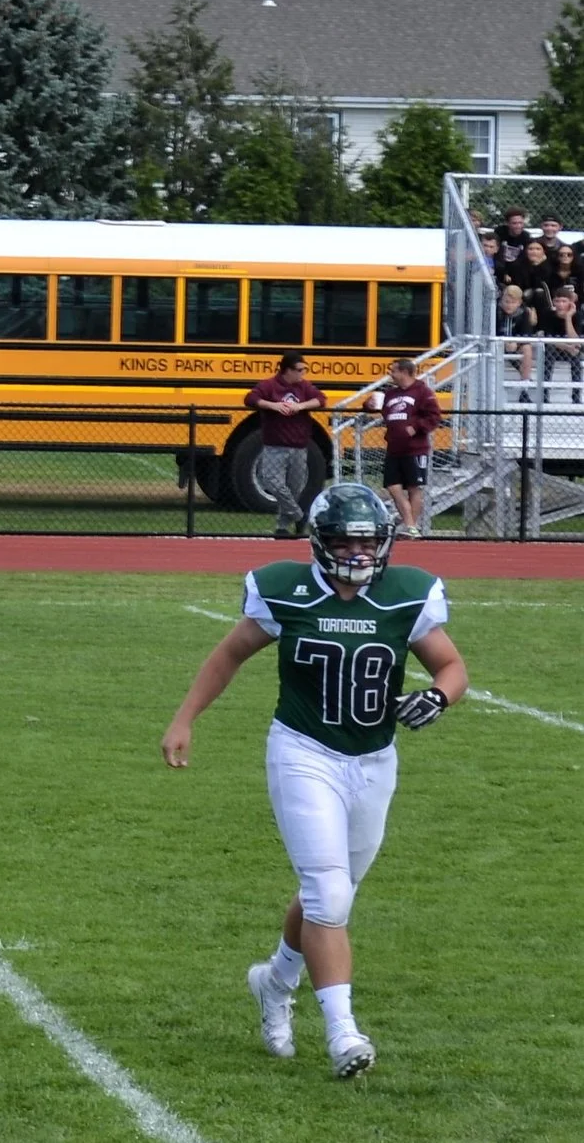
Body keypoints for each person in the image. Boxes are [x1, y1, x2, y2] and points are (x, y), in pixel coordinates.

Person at [160, 483, 465, 1080]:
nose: (358, 551)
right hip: (303, 752)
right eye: (346, 541)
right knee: (328, 893)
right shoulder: (287, 589)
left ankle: (275, 981)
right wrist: (184, 718)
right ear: (321, 542)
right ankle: (342, 1032)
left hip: (374, 761)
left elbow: (451, 666)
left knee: (333, 891)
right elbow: (229, 655)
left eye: (368, 540)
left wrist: (438, 696)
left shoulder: (405, 594)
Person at [244, 353, 325, 538]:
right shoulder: (270, 385)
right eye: (300, 370)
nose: (303, 373)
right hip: (275, 445)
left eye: (305, 369)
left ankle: (283, 526)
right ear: (287, 370)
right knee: (272, 482)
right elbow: (250, 398)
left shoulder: (304, 386)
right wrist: (273, 405)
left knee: (294, 488)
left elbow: (320, 399)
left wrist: (300, 406)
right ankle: (299, 516)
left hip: (299, 446)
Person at [377, 358, 442, 536]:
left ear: (404, 372)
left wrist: (416, 427)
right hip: (394, 447)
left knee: (414, 487)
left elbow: (434, 416)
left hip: (415, 448)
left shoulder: (422, 391)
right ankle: (410, 524)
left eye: (394, 371)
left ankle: (410, 528)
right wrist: (368, 406)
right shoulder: (390, 394)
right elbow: (386, 413)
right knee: (393, 486)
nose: (391, 374)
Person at [498, 279, 543, 388]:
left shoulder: (524, 313)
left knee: (527, 348)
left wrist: (516, 343)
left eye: (513, 303)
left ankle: (525, 381)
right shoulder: (495, 311)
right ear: (502, 300)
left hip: (516, 344)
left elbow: (526, 334)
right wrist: (504, 342)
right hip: (498, 343)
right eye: (507, 302)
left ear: (519, 303)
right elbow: (492, 331)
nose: (509, 305)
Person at [544, 285, 584, 405]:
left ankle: (576, 397)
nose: (560, 304)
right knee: (550, 351)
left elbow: (575, 340)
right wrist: (568, 347)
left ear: (570, 303)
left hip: (572, 349)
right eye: (557, 301)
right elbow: (549, 339)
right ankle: (544, 396)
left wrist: (568, 317)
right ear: (553, 302)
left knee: (576, 354)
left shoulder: (577, 315)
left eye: (564, 301)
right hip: (555, 349)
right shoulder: (548, 315)